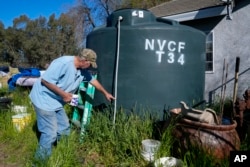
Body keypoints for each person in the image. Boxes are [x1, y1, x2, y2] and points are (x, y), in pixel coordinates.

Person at [29, 48, 115, 161]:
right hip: (44, 100)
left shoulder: (82, 70)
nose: (90, 66)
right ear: (83, 60)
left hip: (56, 102)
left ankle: (66, 154)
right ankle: (40, 161)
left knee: (64, 129)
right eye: (89, 63)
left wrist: (105, 93)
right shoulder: (63, 63)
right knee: (49, 133)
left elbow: (93, 81)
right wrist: (64, 95)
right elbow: (46, 81)